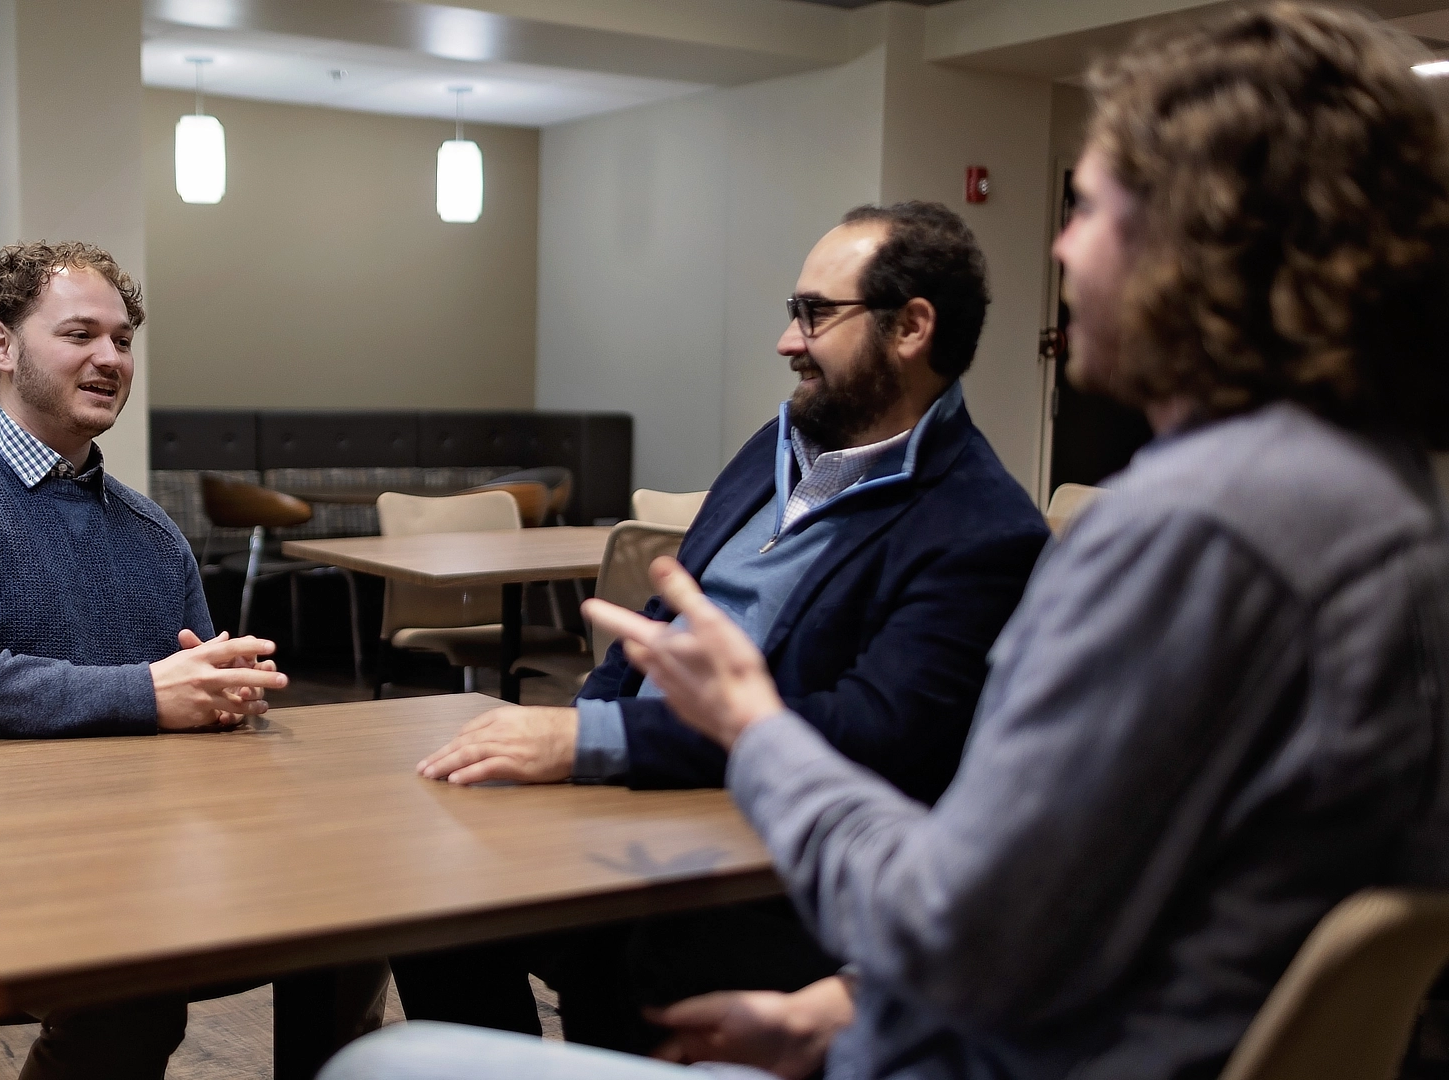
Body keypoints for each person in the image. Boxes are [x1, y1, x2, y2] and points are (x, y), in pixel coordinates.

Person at [325, 4, 1449, 1079]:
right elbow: (1094, 904)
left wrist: (751, 725)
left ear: (1211, 239)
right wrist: (852, 1005)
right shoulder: (1375, 501)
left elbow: (953, 912)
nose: (1061, 246)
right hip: (997, 1029)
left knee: (385, 1062)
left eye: (1094, 206)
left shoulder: (1195, 531)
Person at [391, 204, 1049, 1049]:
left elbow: (872, 732)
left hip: (766, 872)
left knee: (625, 961)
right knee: (425, 896)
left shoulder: (982, 530)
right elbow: (659, 628)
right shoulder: (773, 447)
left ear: (912, 328)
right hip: (645, 806)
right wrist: (576, 736)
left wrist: (589, 740)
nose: (787, 339)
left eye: (816, 314)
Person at [0, 241, 356, 1080]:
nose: (110, 359)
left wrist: (223, 698)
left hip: (116, 845)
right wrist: (152, 692)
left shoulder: (151, 533)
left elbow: (187, 695)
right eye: (80, 334)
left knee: (359, 911)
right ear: (2, 347)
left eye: (122, 340)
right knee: (134, 972)